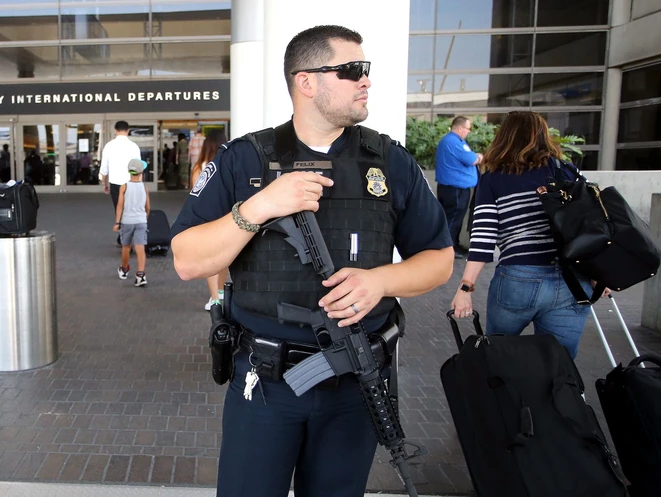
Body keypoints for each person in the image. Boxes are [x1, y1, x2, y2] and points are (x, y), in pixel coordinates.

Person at [170, 25, 453, 497]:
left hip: (359, 380)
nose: (366, 80)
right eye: (352, 70)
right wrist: (259, 207)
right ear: (306, 81)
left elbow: (440, 260)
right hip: (266, 384)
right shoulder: (245, 160)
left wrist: (380, 282)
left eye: (366, 70)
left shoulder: (389, 161)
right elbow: (186, 260)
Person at [450, 111, 601, 359]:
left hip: (519, 278)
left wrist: (465, 288)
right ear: (542, 136)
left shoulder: (493, 179)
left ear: (504, 137)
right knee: (559, 365)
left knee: (499, 359)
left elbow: (483, 239)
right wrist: (598, 274)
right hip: (572, 281)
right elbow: (593, 223)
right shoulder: (566, 171)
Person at [188, 128, 229, 310]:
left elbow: (195, 195)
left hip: (207, 218)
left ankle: (215, 298)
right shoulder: (228, 164)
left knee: (211, 259)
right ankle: (220, 291)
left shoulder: (200, 167)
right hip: (227, 216)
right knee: (224, 257)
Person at [435, 116, 484, 258]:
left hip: (453, 187)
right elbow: (471, 159)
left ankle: (453, 245)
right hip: (455, 188)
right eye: (468, 129)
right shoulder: (453, 141)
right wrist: (479, 157)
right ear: (461, 128)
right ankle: (448, 248)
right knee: (453, 219)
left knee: (454, 218)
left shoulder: (452, 141)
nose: (469, 131)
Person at [101, 121, 141, 246]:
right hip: (131, 183)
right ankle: (127, 236)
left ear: (115, 130)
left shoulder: (109, 146)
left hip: (115, 183)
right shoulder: (134, 146)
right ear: (128, 131)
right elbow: (138, 167)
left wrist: (104, 183)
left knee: (119, 209)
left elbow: (104, 169)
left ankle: (123, 236)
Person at [114, 158, 150, 287]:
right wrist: (145, 217)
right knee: (140, 247)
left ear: (129, 171)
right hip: (141, 221)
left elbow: (120, 205)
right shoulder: (144, 187)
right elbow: (148, 207)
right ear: (141, 172)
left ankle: (124, 269)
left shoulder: (124, 186)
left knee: (126, 246)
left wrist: (117, 222)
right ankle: (140, 275)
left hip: (127, 221)